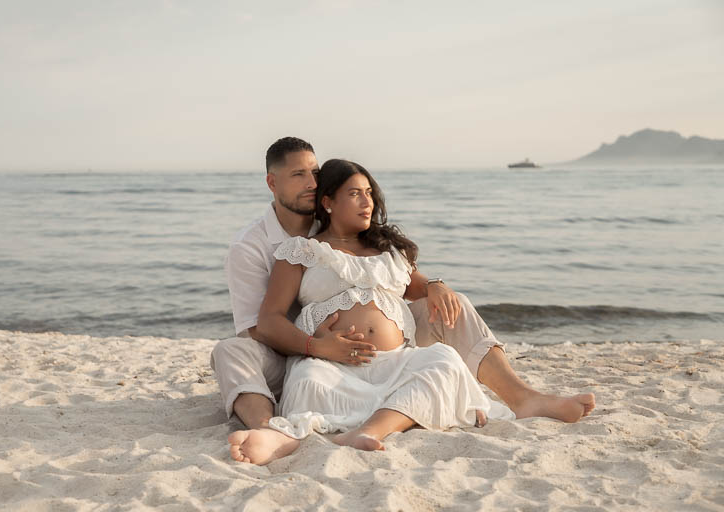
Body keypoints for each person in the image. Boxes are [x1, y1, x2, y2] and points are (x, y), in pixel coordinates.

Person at [214, 137, 595, 465]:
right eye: (298, 175)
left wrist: (437, 285)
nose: (311, 182)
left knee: (450, 316)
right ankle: (270, 431)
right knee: (232, 351)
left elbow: (407, 281)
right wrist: (317, 346)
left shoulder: (360, 236)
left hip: (388, 355)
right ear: (272, 182)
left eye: (314, 172)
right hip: (301, 352)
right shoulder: (264, 247)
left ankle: (522, 397)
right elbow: (259, 326)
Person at [251, 159, 515, 457]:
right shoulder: (301, 251)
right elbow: (269, 321)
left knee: (444, 360)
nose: (367, 202)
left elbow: (417, 285)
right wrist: (316, 347)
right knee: (307, 381)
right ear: (328, 202)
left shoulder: (387, 249)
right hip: (331, 367)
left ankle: (369, 430)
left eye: (369, 193)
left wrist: (436, 284)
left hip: (396, 362)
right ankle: (390, 420)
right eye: (354, 194)